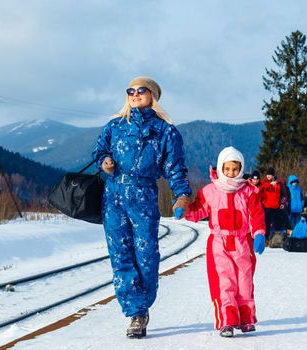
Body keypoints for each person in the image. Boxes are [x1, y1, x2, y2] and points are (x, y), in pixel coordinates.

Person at [92, 77, 192, 339]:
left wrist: (182, 195)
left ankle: (144, 301)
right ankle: (136, 313)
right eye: (130, 91)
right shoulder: (114, 126)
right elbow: (99, 150)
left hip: (144, 195)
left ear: (153, 95)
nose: (134, 94)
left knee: (146, 255)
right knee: (120, 256)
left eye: (141, 90)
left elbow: (175, 167)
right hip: (113, 196)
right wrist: (104, 162)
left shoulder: (166, 131)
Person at [184, 146, 266, 338]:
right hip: (219, 243)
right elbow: (199, 210)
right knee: (224, 282)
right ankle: (227, 321)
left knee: (245, 282)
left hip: (242, 241)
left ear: (241, 169)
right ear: (221, 168)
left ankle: (246, 319)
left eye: (235, 169)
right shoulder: (210, 191)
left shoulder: (249, 191)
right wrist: (186, 210)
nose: (231, 173)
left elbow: (257, 215)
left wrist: (260, 233)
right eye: (227, 169)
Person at [260, 167, 289, 239]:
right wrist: (270, 184)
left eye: (270, 175)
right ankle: (266, 238)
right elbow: (260, 189)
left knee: (278, 223)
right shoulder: (263, 182)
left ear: (273, 175)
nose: (268, 176)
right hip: (266, 207)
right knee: (266, 224)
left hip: (276, 207)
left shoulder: (279, 183)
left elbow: (284, 195)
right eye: (267, 175)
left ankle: (278, 238)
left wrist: (282, 203)